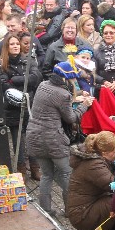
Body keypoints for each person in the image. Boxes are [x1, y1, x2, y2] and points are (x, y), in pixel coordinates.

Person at [26, 62, 92, 216]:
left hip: (34, 136)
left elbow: (53, 103)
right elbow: (71, 118)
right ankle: (70, 211)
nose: (74, 81)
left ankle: (46, 210)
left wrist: (76, 97)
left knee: (47, 175)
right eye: (73, 79)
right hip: (53, 140)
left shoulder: (43, 85)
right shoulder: (63, 94)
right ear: (65, 79)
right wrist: (85, 105)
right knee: (67, 174)